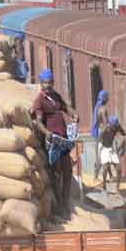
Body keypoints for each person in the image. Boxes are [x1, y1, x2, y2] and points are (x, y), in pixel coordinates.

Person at [32, 69, 79, 217]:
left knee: (67, 172)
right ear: (41, 84)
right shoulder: (39, 100)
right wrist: (47, 133)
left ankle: (65, 203)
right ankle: (59, 207)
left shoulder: (56, 96)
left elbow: (65, 107)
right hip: (53, 143)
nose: (48, 85)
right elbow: (38, 121)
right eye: (45, 83)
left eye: (50, 82)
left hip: (63, 140)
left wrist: (74, 114)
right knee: (57, 174)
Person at [97, 116, 126, 192]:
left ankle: (117, 189)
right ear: (110, 124)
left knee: (119, 169)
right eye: (114, 125)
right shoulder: (105, 128)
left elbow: (123, 132)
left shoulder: (117, 126)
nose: (115, 126)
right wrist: (98, 154)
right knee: (105, 168)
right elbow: (98, 140)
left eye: (116, 125)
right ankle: (104, 185)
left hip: (111, 148)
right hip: (103, 148)